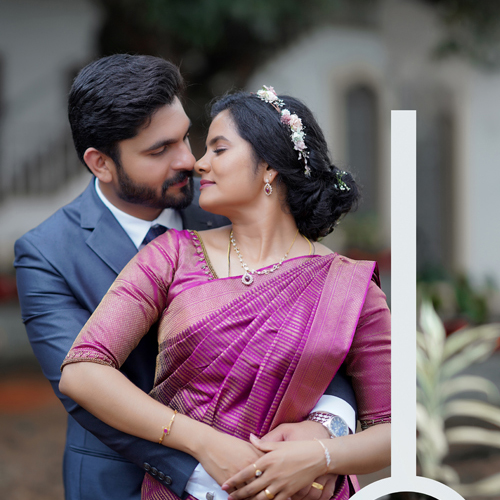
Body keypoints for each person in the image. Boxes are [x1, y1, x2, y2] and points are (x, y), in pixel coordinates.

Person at [14, 56, 356, 500]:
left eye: (185, 137)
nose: (190, 161)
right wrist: (211, 462)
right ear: (101, 163)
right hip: (122, 480)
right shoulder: (47, 253)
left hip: (279, 472)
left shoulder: (234, 201)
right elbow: (82, 391)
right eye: (159, 150)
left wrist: (323, 432)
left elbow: (323, 324)